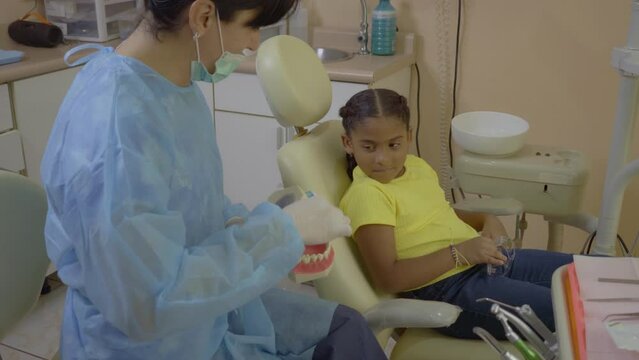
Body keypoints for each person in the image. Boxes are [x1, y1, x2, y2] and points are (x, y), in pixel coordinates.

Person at [41, 1, 387, 358]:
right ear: (203, 17)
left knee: (347, 329)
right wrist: (280, 234)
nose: (254, 44)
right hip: (150, 343)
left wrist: (242, 222)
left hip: (200, 317)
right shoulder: (117, 127)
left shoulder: (173, 87)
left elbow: (195, 201)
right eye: (253, 26)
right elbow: (148, 302)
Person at [338, 88, 574, 339]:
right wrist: (460, 253)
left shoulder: (416, 167)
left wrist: (484, 219)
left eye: (394, 145)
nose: (382, 158)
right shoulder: (368, 195)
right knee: (573, 311)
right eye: (369, 147)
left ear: (408, 137)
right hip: (449, 290)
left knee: (586, 275)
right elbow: (388, 279)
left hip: (483, 261)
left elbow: (440, 215)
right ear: (348, 143)